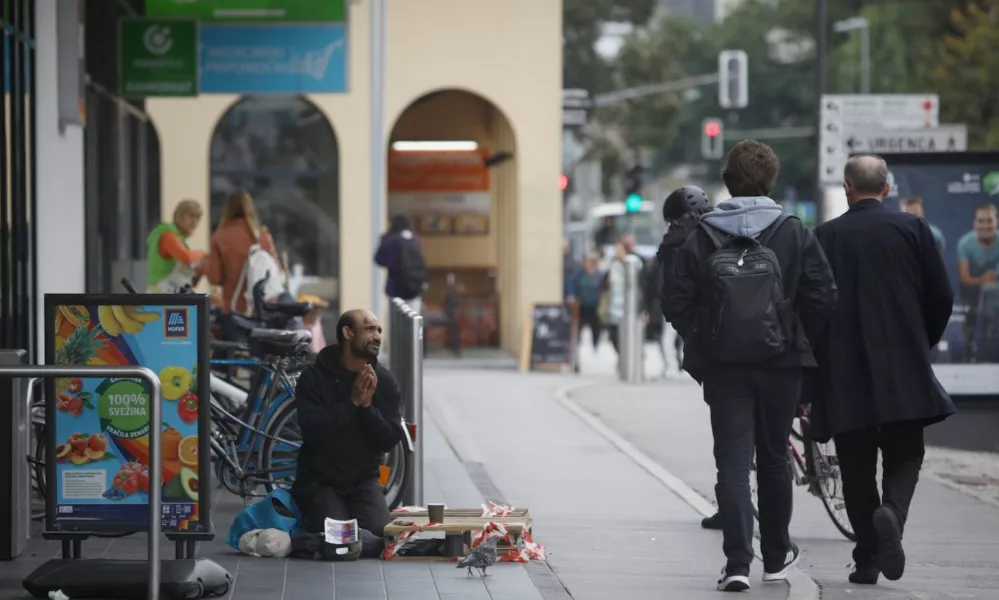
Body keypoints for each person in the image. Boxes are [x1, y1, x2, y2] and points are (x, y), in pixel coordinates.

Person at [662, 140, 837, 592]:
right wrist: (798, 337)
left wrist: (705, 338)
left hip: (724, 368)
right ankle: (775, 557)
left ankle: (737, 562)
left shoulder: (703, 234)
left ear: (727, 180)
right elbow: (823, 294)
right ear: (771, 180)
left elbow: (675, 300)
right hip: (781, 364)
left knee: (733, 463)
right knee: (775, 457)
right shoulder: (794, 231)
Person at [811, 155, 956, 585]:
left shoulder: (825, 237)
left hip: (845, 371)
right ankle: (891, 511)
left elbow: (813, 308)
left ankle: (868, 559)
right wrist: (920, 341)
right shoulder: (914, 230)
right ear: (887, 188)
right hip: (902, 367)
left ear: (848, 189)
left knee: (854, 465)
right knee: (906, 452)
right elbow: (941, 295)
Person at [291, 309, 404, 540]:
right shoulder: (313, 378)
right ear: (348, 333)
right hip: (320, 481)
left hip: (363, 480)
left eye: (379, 330)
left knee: (377, 535)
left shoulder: (383, 380)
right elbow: (312, 431)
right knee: (338, 538)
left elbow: (390, 438)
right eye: (370, 329)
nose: (377, 336)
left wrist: (366, 408)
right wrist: (351, 402)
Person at [657, 185, 719, 522]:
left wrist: (695, 335)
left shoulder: (676, 244)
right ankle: (776, 538)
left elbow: (671, 301)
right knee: (769, 446)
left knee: (729, 438)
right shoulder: (728, 228)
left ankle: (732, 508)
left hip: (716, 351)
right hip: (768, 342)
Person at [199, 190, 281, 336]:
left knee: (230, 354)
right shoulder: (262, 236)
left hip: (234, 313)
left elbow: (214, 278)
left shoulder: (220, 237)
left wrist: (204, 266)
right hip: (263, 312)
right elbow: (275, 271)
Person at [956, 204, 999, 361]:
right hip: (971, 289)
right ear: (975, 223)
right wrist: (982, 280)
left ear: (997, 221)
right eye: (981, 221)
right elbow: (964, 277)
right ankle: (970, 349)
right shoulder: (965, 243)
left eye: (989, 220)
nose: (985, 225)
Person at [146, 200, 205, 293]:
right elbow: (186, 257)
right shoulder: (168, 235)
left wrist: (199, 272)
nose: (194, 222)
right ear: (179, 216)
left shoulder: (181, 241)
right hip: (161, 295)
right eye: (191, 216)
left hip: (173, 295)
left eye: (197, 218)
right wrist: (202, 254)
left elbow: (184, 281)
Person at [375, 214, 428, 313]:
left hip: (395, 288)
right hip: (414, 287)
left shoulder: (391, 241)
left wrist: (384, 240)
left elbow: (379, 259)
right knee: (412, 320)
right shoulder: (415, 240)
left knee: (397, 322)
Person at [574, 255, 603, 350]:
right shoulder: (580, 275)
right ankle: (576, 345)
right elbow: (576, 287)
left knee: (595, 328)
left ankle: (595, 345)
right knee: (579, 328)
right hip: (582, 306)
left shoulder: (598, 276)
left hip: (594, 306)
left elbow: (602, 290)